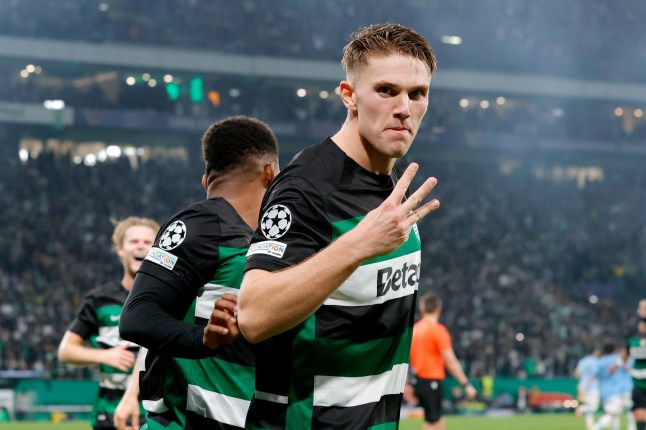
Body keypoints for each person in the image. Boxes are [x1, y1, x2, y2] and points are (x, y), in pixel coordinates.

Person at [238, 23, 440, 429]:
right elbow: (253, 314)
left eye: (417, 94)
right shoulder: (306, 187)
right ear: (349, 96)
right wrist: (356, 246)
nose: (404, 107)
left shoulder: (389, 186)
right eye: (386, 90)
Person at [119, 115, 279, 429]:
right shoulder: (202, 224)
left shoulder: (266, 240)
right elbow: (137, 316)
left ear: (205, 180)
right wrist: (201, 339)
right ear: (271, 173)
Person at [58, 216, 159, 430]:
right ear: (120, 249)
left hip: (155, 413)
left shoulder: (167, 299)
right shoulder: (99, 300)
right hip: (108, 412)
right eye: (133, 241)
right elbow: (66, 351)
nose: (140, 245)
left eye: (147, 242)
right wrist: (105, 355)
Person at [407, 292, 477, 430]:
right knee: (433, 423)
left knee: (436, 420)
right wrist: (466, 383)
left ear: (422, 309)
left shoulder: (414, 330)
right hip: (431, 380)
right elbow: (450, 361)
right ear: (438, 309)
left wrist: (407, 383)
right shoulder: (438, 331)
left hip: (418, 381)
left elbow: (407, 360)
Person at [592, 342, 625, 430]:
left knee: (615, 414)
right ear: (614, 350)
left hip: (604, 390)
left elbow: (596, 375)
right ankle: (596, 427)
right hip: (615, 390)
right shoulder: (616, 360)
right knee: (613, 413)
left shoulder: (600, 361)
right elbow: (626, 367)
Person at [624, 299, 646, 430]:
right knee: (638, 412)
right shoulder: (633, 333)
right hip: (638, 381)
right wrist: (618, 363)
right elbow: (627, 351)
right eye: (642, 308)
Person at [574, 347, 601, 430]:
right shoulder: (597, 362)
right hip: (593, 387)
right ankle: (581, 409)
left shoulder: (583, 361)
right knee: (594, 406)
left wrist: (583, 380)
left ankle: (590, 425)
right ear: (595, 352)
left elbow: (577, 374)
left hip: (583, 387)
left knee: (589, 406)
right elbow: (597, 374)